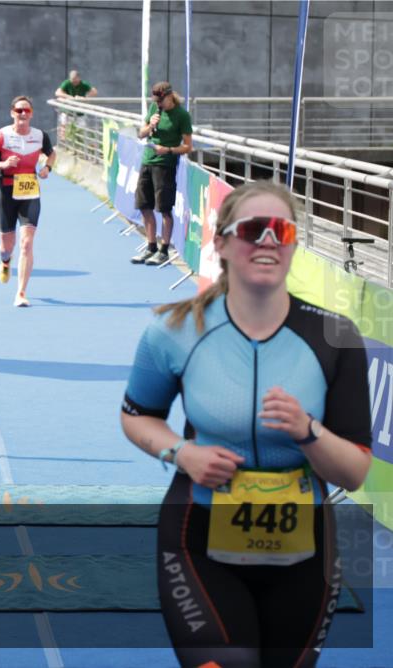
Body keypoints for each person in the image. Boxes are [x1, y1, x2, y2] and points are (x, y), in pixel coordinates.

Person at [120, 181, 372, 667]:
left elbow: (355, 472)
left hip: (306, 555)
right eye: (255, 230)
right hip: (198, 542)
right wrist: (181, 453)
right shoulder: (174, 331)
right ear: (221, 242)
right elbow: (137, 417)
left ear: (295, 244)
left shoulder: (335, 337)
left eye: (283, 231)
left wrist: (308, 432)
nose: (270, 242)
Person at [0, 96, 56, 307]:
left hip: (29, 190)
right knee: (6, 245)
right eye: (19, 110)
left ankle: (21, 292)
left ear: (31, 113)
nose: (23, 114)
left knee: (27, 243)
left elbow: (52, 154)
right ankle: (5, 261)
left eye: (26, 111)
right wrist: (2, 164)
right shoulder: (2, 135)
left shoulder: (40, 136)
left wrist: (48, 168)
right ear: (12, 112)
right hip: (5, 191)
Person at [131, 81, 193, 266]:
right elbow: (140, 134)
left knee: (165, 209)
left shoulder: (181, 115)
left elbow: (188, 147)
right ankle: (150, 246)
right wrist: (150, 126)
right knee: (144, 206)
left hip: (165, 165)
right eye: (156, 101)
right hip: (147, 161)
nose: (158, 104)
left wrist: (167, 150)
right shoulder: (154, 108)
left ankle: (164, 249)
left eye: (161, 100)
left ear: (169, 96)